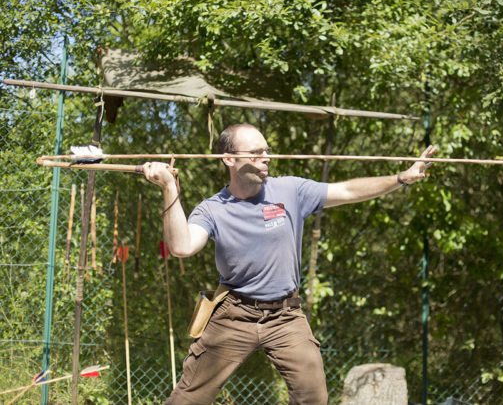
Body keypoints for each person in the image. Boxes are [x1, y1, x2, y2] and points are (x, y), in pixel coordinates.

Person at [143, 123, 437, 405]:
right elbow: (182, 247)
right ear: (229, 159)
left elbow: (347, 191)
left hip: (286, 317)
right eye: (256, 152)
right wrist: (169, 187)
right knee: (188, 398)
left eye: (267, 151)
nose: (266, 157)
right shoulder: (212, 209)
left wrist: (401, 178)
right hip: (234, 315)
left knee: (313, 398)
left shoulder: (291, 191)